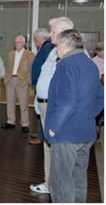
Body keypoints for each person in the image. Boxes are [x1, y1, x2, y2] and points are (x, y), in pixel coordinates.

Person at [45, 29, 104, 203]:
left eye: (57, 46)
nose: (56, 50)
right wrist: (86, 116)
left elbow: (67, 103)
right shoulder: (90, 64)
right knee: (78, 179)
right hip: (86, 132)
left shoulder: (66, 65)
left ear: (64, 45)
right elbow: (101, 97)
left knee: (61, 183)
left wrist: (53, 129)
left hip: (66, 134)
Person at [30, 16, 74, 194]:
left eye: (53, 31)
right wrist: (37, 100)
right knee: (49, 148)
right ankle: (50, 183)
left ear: (64, 32)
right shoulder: (53, 51)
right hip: (45, 104)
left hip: (55, 107)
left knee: (57, 149)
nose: (50, 34)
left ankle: (57, 186)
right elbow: (45, 77)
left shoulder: (71, 54)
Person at [2, 35, 35, 133]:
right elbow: (8, 67)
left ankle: (25, 124)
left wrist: (28, 82)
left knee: (23, 103)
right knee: (10, 102)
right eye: (15, 42)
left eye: (19, 42)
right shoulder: (10, 54)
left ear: (24, 43)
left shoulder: (30, 54)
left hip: (22, 81)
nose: (17, 44)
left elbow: (31, 70)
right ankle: (10, 121)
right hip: (10, 79)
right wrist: (6, 79)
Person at [29, 28, 55, 145]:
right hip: (40, 84)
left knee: (41, 111)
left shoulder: (47, 48)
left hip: (43, 87)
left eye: (35, 39)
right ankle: (40, 133)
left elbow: (43, 68)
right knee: (38, 110)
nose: (35, 42)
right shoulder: (45, 47)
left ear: (39, 38)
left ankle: (41, 136)